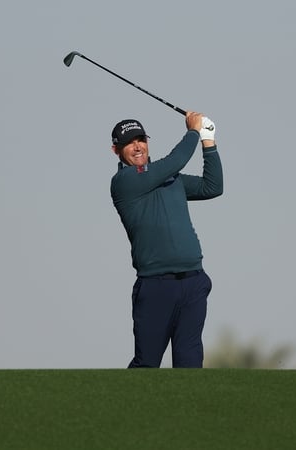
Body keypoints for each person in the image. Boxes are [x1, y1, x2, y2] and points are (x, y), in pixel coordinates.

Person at [109, 112, 223, 368]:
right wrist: (193, 131)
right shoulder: (124, 182)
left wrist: (208, 141)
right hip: (155, 286)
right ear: (116, 150)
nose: (137, 146)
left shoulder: (170, 179)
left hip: (193, 282)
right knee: (147, 365)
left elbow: (212, 187)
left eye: (141, 139)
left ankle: (186, 410)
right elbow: (176, 160)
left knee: (190, 364)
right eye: (129, 142)